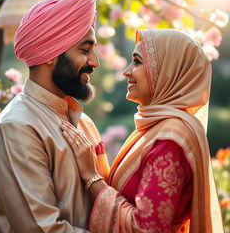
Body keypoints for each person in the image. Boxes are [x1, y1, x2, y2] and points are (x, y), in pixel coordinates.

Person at [60, 29, 225, 233]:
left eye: (137, 62)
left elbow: (146, 229)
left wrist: (91, 176)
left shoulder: (171, 140)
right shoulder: (156, 128)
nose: (126, 71)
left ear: (168, 70)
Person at [0, 0, 107, 233]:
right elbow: (42, 229)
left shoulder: (84, 123)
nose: (95, 61)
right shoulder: (16, 129)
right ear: (50, 53)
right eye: (85, 49)